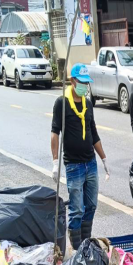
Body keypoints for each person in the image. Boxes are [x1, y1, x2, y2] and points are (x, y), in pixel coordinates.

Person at [51, 63, 110, 250]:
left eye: (87, 83)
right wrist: (55, 162)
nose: (85, 86)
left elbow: (93, 133)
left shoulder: (88, 104)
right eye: (82, 82)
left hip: (90, 163)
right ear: (72, 81)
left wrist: (103, 159)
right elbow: (55, 133)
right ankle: (77, 249)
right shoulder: (61, 103)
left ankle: (86, 244)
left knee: (91, 205)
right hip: (74, 166)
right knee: (77, 209)